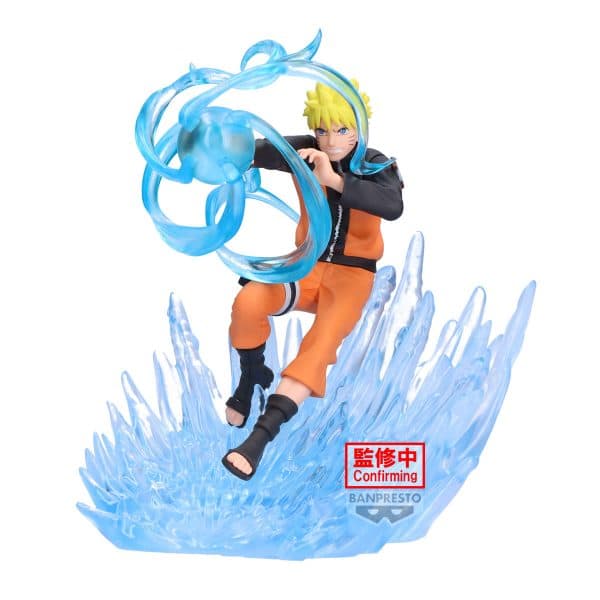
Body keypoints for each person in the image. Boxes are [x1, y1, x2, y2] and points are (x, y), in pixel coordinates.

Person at [221, 81, 404, 480]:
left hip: (352, 276)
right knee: (249, 300)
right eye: (322, 130)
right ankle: (252, 375)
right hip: (307, 266)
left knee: (319, 345)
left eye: (342, 130)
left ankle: (258, 439)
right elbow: (256, 150)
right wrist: (217, 147)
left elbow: (392, 205)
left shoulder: (376, 165)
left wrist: (335, 180)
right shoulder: (304, 150)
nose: (331, 140)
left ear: (359, 127)